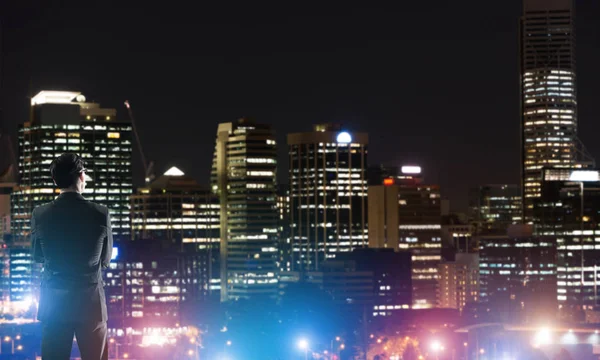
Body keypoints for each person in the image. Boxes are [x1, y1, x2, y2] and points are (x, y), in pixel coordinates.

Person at [31, 153, 112, 360]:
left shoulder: (40, 214)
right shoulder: (100, 213)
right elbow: (105, 259)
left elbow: (37, 256)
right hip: (91, 304)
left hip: (54, 305)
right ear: (81, 176)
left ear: (55, 180)